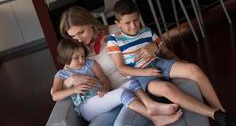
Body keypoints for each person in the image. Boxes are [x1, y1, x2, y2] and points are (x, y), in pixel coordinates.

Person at [108, 0, 236, 126]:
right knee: (167, 89)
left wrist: (177, 60)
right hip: (141, 76)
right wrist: (144, 72)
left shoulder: (147, 31)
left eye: (136, 20)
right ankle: (214, 114)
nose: (133, 26)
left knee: (194, 70)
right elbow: (121, 68)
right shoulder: (114, 40)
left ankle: (222, 113)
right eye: (127, 23)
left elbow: (164, 51)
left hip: (159, 63)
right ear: (117, 24)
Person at [58, 5, 197, 126]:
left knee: (122, 124)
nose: (79, 39)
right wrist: (70, 81)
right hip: (112, 99)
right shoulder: (76, 52)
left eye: (81, 32)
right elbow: (65, 77)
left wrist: (164, 52)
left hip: (140, 88)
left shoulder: (115, 31)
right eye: (73, 36)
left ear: (90, 23)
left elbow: (153, 41)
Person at [51, 38, 182, 125]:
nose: (82, 60)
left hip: (101, 96)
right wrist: (73, 89)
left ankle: (150, 104)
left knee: (132, 81)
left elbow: (104, 79)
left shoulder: (90, 63)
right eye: (76, 58)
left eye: (83, 56)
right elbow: (55, 95)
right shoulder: (62, 74)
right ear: (65, 58)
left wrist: (105, 88)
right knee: (121, 93)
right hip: (87, 106)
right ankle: (155, 118)